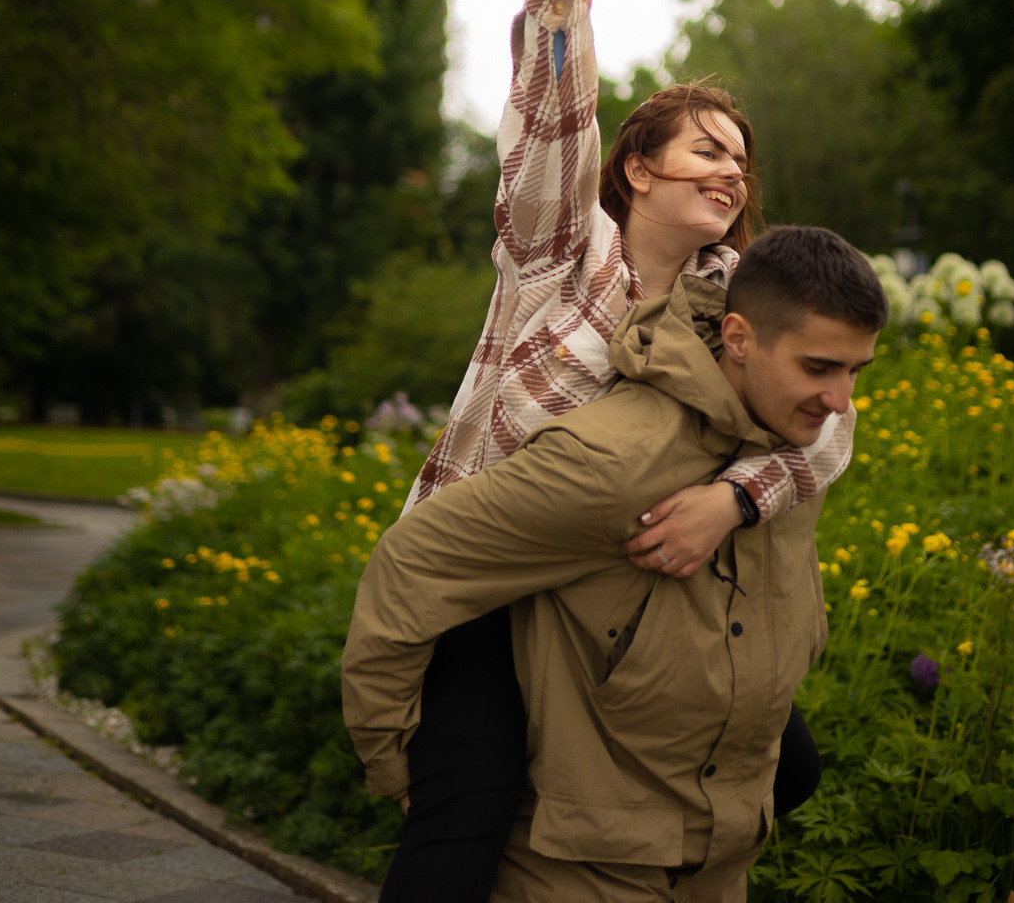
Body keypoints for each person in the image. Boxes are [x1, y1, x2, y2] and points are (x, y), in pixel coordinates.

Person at [372, 0, 853, 901]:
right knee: (462, 818)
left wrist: (733, 500)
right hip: (498, 582)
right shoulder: (562, 252)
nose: (731, 170)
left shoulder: (736, 299)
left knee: (787, 768)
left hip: (629, 601)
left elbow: (824, 426)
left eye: (739, 159)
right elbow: (552, 128)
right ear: (636, 169)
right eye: (705, 151)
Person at [343, 226, 889, 902]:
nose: (840, 400)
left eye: (855, 371)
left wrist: (736, 499)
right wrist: (396, 762)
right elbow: (409, 563)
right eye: (819, 368)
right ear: (739, 339)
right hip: (588, 873)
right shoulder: (611, 463)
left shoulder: (799, 439)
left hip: (716, 865)